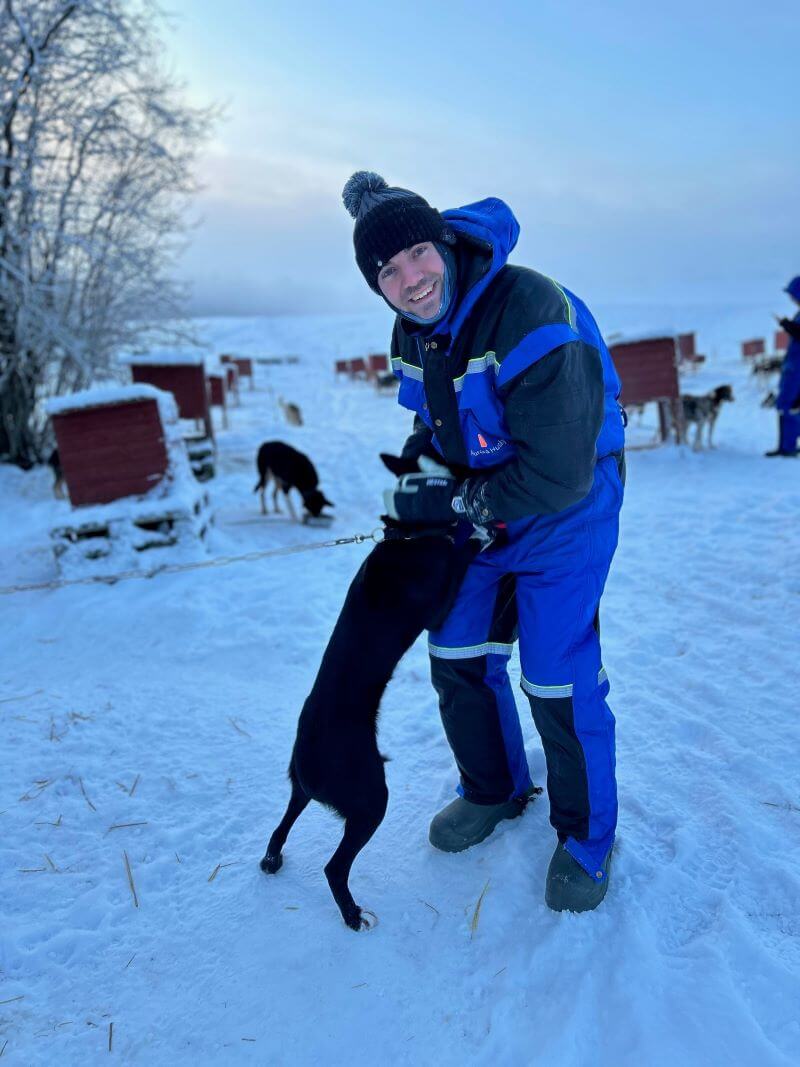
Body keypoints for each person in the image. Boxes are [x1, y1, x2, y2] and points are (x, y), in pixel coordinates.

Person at [342, 172, 625, 913]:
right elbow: (435, 425)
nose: (409, 279)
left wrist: (460, 500)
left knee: (556, 673)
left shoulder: (531, 309)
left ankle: (587, 838)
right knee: (457, 649)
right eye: (386, 271)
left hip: (568, 504)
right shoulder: (412, 332)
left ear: (442, 240)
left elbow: (560, 474)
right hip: (485, 505)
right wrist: (421, 481)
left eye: (414, 254)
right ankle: (494, 789)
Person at [767, 276, 800, 457]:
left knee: (789, 405)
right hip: (793, 366)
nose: (791, 299)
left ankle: (788, 447)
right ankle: (786, 445)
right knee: (788, 405)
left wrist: (787, 325)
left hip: (797, 369)